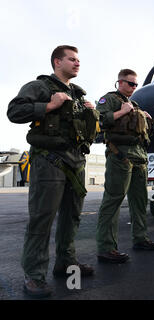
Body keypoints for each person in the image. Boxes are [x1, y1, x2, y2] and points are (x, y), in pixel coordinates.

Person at [7, 45, 98, 298]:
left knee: (72, 217)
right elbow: (14, 112)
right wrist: (48, 106)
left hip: (76, 161)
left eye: (79, 59)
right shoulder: (40, 87)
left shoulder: (79, 96)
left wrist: (93, 115)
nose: (77, 63)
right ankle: (34, 276)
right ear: (57, 62)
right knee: (42, 218)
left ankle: (66, 263)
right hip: (49, 161)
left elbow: (87, 131)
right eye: (72, 59)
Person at [96, 69, 154, 263]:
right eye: (130, 83)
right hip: (120, 156)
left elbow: (143, 134)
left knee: (140, 202)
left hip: (139, 157)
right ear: (120, 82)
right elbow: (98, 122)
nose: (133, 87)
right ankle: (106, 248)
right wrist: (122, 112)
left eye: (135, 85)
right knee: (113, 201)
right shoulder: (109, 100)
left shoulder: (136, 105)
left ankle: (140, 238)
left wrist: (146, 119)